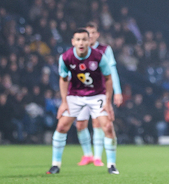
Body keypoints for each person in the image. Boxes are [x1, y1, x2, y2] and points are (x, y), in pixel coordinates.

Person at [47, 28, 119, 175]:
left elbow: (108, 78)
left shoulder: (99, 56)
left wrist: (107, 102)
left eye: (84, 39)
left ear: (89, 42)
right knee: (61, 126)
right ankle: (55, 165)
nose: (81, 42)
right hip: (75, 95)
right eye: (78, 39)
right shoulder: (66, 57)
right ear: (73, 42)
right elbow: (63, 78)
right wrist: (64, 102)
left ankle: (111, 165)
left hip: (97, 95)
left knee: (108, 127)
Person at [75, 22, 123, 167]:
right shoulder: (79, 50)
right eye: (87, 33)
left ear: (97, 34)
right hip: (81, 92)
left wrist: (118, 92)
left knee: (97, 123)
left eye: (93, 32)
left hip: (99, 92)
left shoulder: (104, 49)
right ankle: (87, 155)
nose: (90, 36)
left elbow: (112, 71)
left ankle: (97, 157)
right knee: (80, 124)